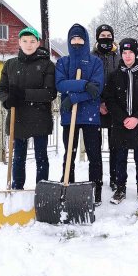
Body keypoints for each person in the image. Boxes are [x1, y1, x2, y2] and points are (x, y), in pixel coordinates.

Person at [0, 27, 57, 189]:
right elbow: (2, 90)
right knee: (18, 157)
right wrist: (7, 100)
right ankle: (17, 188)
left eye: (32, 41)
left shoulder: (47, 65)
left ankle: (42, 189)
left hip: (40, 118)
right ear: (19, 42)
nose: (28, 45)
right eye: (25, 41)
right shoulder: (10, 65)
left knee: (41, 157)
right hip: (18, 118)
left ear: (38, 43)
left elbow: (49, 93)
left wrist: (23, 94)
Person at [55, 23, 104, 206]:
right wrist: (84, 85)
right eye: (73, 39)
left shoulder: (95, 62)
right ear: (69, 41)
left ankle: (95, 189)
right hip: (70, 117)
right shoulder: (63, 62)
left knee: (94, 155)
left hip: (90, 116)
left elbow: (96, 89)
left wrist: (74, 98)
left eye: (80, 39)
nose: (77, 42)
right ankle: (67, 185)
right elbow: (60, 84)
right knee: (69, 154)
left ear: (86, 41)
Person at [103, 38, 138, 206]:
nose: (127, 56)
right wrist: (123, 118)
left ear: (135, 53)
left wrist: (137, 117)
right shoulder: (114, 75)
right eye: (124, 53)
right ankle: (120, 189)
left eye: (130, 52)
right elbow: (110, 100)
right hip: (120, 124)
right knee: (120, 158)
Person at [91, 24, 121, 191]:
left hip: (114, 108)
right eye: (102, 35)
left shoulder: (118, 56)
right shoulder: (91, 56)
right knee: (95, 147)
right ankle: (97, 179)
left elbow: (121, 82)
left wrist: (110, 103)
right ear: (97, 37)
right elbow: (89, 82)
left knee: (115, 146)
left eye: (108, 34)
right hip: (95, 107)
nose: (105, 37)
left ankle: (114, 178)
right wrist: (99, 103)